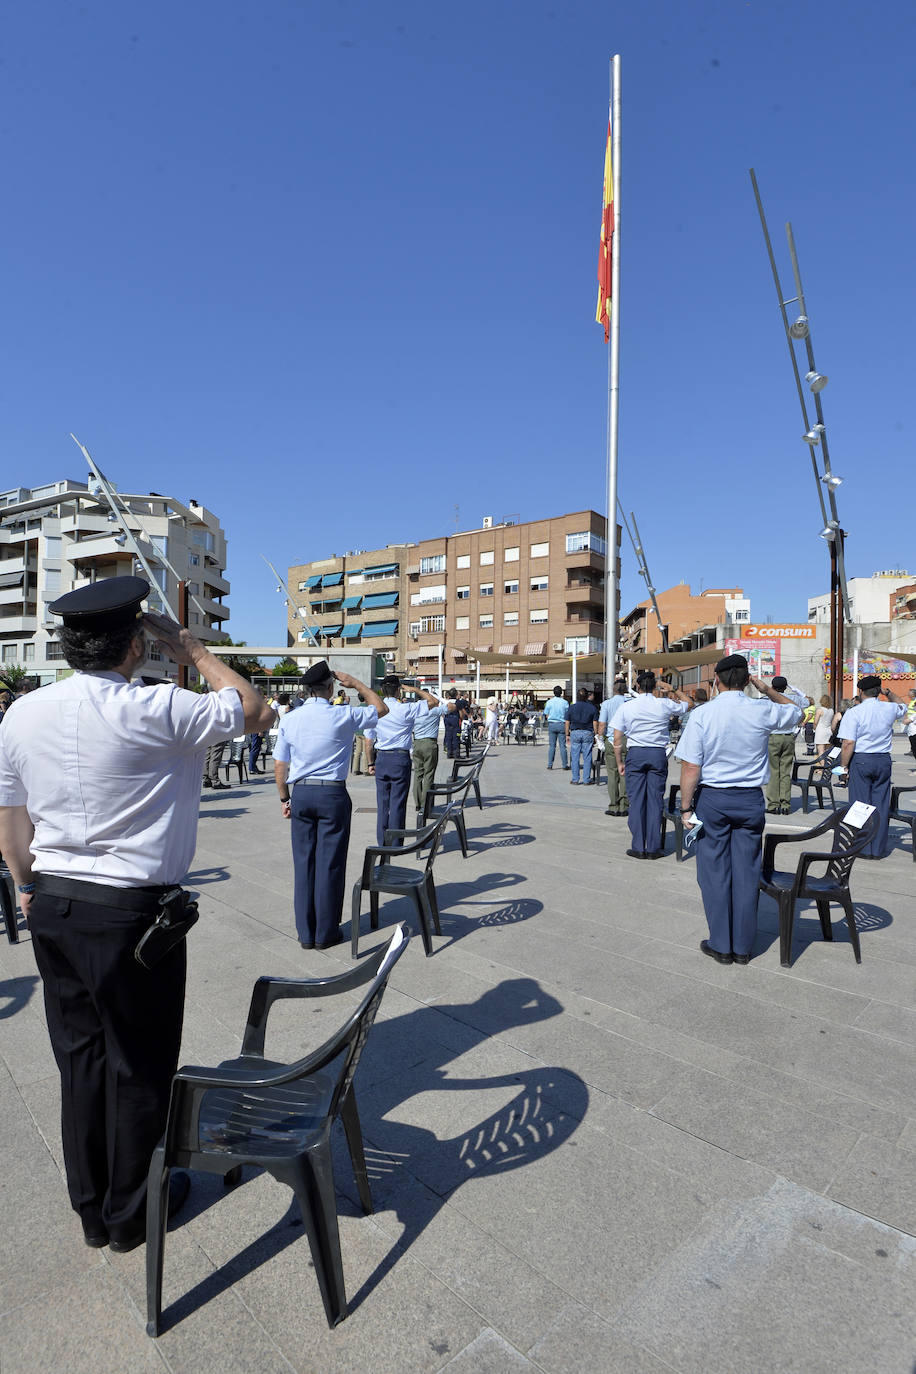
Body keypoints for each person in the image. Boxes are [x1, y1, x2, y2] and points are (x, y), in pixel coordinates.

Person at [0, 576, 276, 1252]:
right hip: (132, 914)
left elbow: (10, 820)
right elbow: (255, 709)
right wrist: (192, 649)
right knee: (139, 1065)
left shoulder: (21, 713)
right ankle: (131, 1212)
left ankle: (92, 1205)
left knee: (82, 1062)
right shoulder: (158, 707)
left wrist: (26, 886)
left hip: (56, 902)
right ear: (134, 646)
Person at [676, 654, 802, 965]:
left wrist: (685, 807)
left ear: (715, 681)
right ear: (747, 681)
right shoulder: (762, 708)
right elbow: (798, 713)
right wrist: (767, 690)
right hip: (749, 799)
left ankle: (721, 944)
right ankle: (743, 947)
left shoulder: (704, 714)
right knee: (747, 873)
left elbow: (691, 766)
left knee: (714, 873)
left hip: (714, 799)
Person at [273, 661, 386, 948]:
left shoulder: (289, 718)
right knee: (330, 865)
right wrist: (358, 684)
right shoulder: (342, 714)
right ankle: (326, 933)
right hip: (332, 794)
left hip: (302, 793)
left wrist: (285, 798)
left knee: (304, 864)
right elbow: (381, 708)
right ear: (331, 687)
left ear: (306, 690)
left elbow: (279, 765)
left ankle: (306, 933)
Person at [613, 672, 690, 858]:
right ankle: (653, 847)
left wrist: (620, 762)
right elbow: (689, 704)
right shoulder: (664, 704)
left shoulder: (627, 706)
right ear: (655, 686)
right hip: (657, 753)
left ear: (638, 687)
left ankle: (639, 845)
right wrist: (673, 689)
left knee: (637, 800)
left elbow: (617, 738)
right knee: (655, 800)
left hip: (636, 753)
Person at [838, 675, 906, 859]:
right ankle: (877, 849)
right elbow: (903, 706)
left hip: (861, 759)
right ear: (879, 690)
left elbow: (848, 743)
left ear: (860, 692)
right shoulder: (890, 708)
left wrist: (843, 767)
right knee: (881, 805)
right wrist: (889, 693)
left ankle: (862, 847)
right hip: (883, 759)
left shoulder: (854, 712)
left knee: (859, 804)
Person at [374, 676, 441, 846]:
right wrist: (416, 690)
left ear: (382, 691)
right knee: (398, 801)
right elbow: (433, 701)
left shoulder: (375, 709)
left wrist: (369, 762)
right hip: (399, 757)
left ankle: (382, 840)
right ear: (398, 690)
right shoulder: (406, 708)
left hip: (381, 756)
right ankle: (395, 841)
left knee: (382, 803)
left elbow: (368, 740)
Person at [764, 675, 808, 815]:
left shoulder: (767, 699)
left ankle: (773, 804)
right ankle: (785, 804)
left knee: (773, 771)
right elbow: (807, 702)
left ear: (772, 686)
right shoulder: (793, 699)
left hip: (773, 736)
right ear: (785, 687)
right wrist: (795, 690)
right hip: (789, 737)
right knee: (785, 772)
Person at [597, 682, 629, 815]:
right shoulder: (630, 702)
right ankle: (624, 806)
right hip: (627, 739)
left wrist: (600, 737)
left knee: (612, 773)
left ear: (613, 690)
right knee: (625, 773)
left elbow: (602, 724)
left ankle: (613, 806)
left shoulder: (606, 704)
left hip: (611, 739)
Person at [413, 695, 448, 814]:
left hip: (417, 742)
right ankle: (426, 804)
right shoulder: (435, 710)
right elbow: (451, 707)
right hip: (430, 743)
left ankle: (417, 803)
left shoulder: (415, 711)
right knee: (429, 774)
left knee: (418, 774)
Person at [566, 687, 599, 785]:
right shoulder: (592, 708)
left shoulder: (572, 707)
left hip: (575, 732)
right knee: (587, 756)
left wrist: (567, 734)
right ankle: (586, 779)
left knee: (575, 756)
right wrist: (595, 734)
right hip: (587, 732)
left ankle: (575, 779)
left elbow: (567, 722)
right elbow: (595, 723)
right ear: (586, 697)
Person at [543, 686, 569, 769]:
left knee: (552, 746)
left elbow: (546, 714)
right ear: (561, 693)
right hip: (561, 724)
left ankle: (550, 765)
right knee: (562, 746)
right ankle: (564, 765)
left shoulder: (549, 702)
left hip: (552, 724)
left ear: (553, 692)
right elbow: (567, 714)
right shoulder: (565, 702)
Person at [443, 689, 461, 760]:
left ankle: (449, 753)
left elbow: (443, 712)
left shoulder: (446, 702)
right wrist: (461, 719)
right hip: (455, 719)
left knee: (448, 736)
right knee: (456, 737)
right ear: (456, 694)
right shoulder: (458, 702)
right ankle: (456, 753)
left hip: (447, 719)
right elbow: (461, 712)